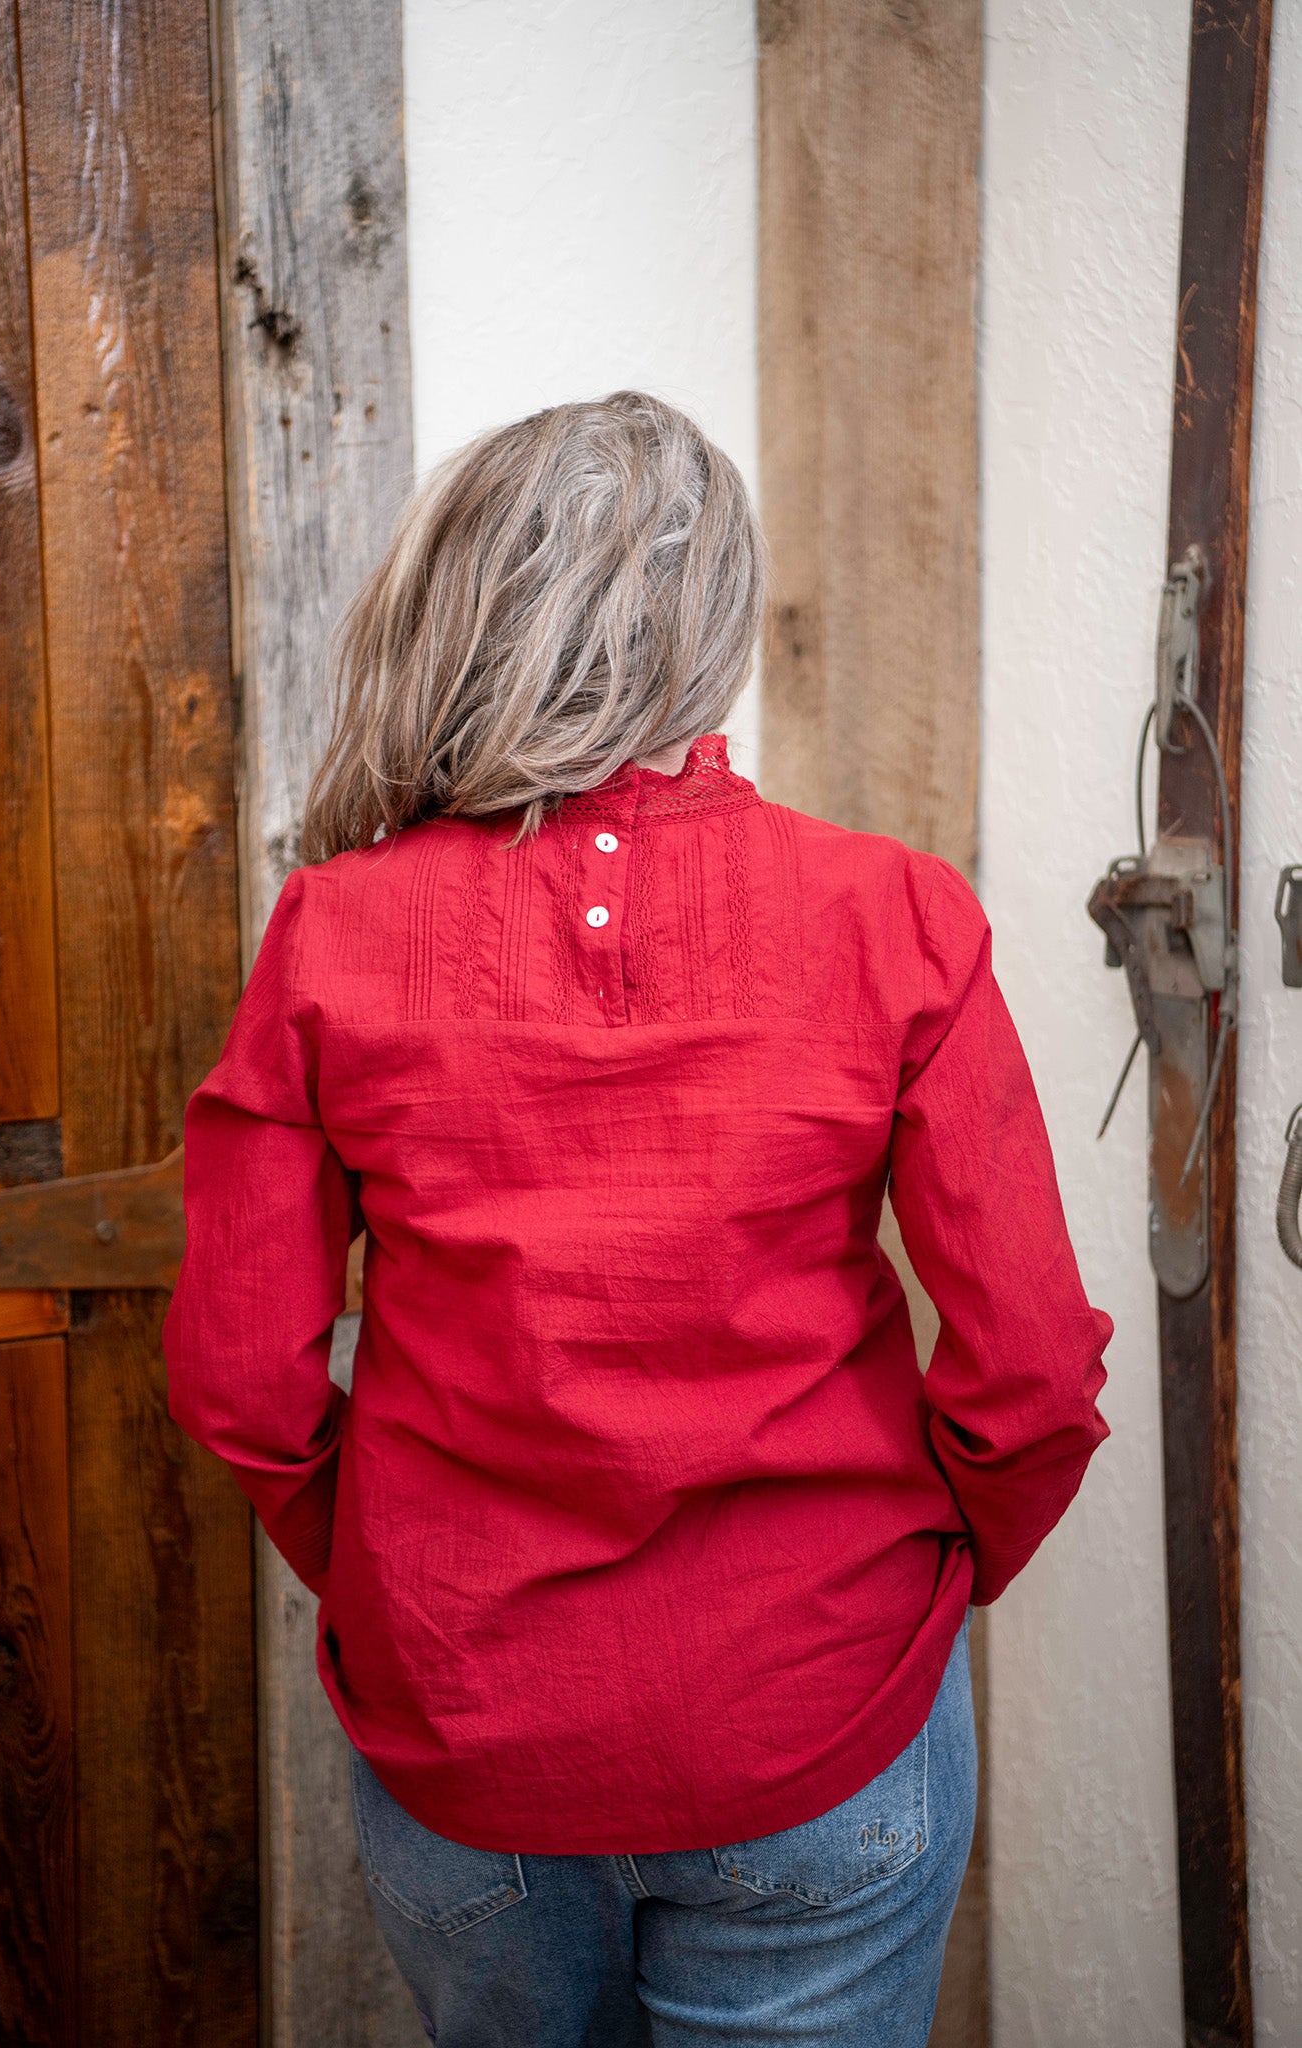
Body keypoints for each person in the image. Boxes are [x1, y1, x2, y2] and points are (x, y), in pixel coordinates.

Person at [163, 391, 1110, 2046]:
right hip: (821, 1713)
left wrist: (400, 1575)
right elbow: (1030, 1370)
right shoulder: (893, 912)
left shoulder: (330, 932)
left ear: (466, 604)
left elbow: (244, 1379)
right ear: (715, 621)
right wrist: (915, 1585)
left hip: (469, 1727)